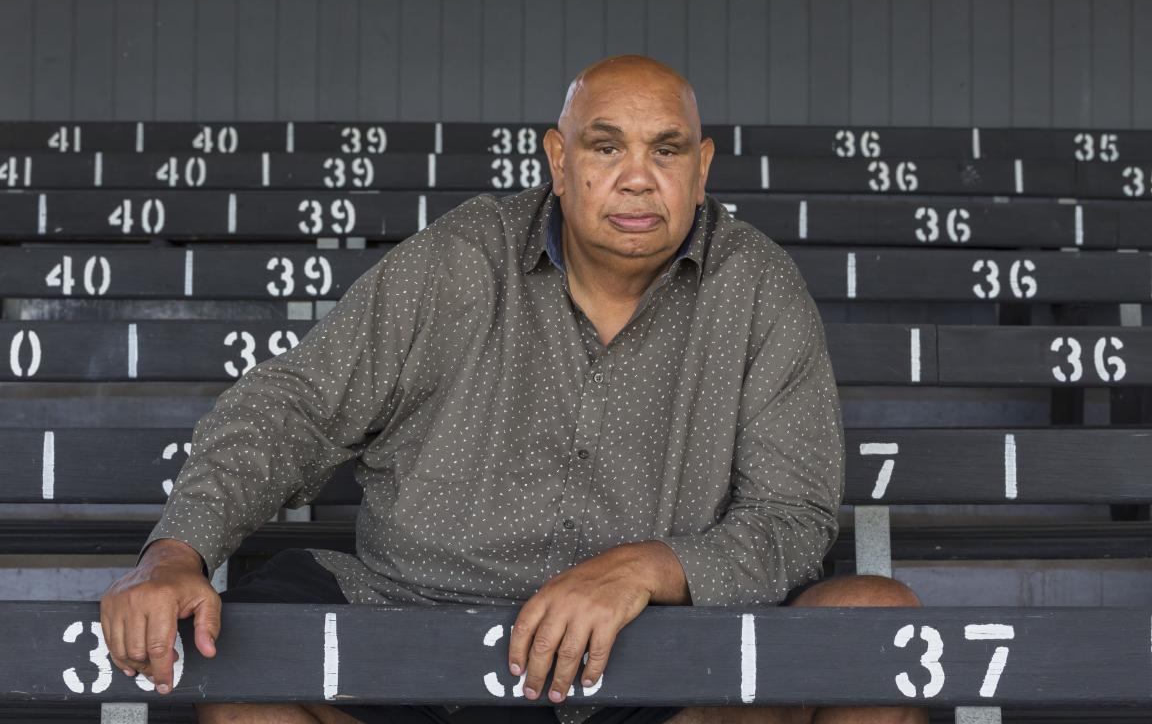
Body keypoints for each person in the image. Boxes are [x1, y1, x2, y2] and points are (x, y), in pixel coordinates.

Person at [100, 55, 927, 724]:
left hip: (660, 660)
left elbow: (794, 520)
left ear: (701, 168)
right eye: (606, 148)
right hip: (416, 633)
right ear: (559, 162)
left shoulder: (757, 287)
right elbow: (295, 408)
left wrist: (646, 568)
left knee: (872, 615)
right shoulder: (460, 260)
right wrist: (175, 552)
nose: (638, 178)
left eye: (666, 150)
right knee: (246, 658)